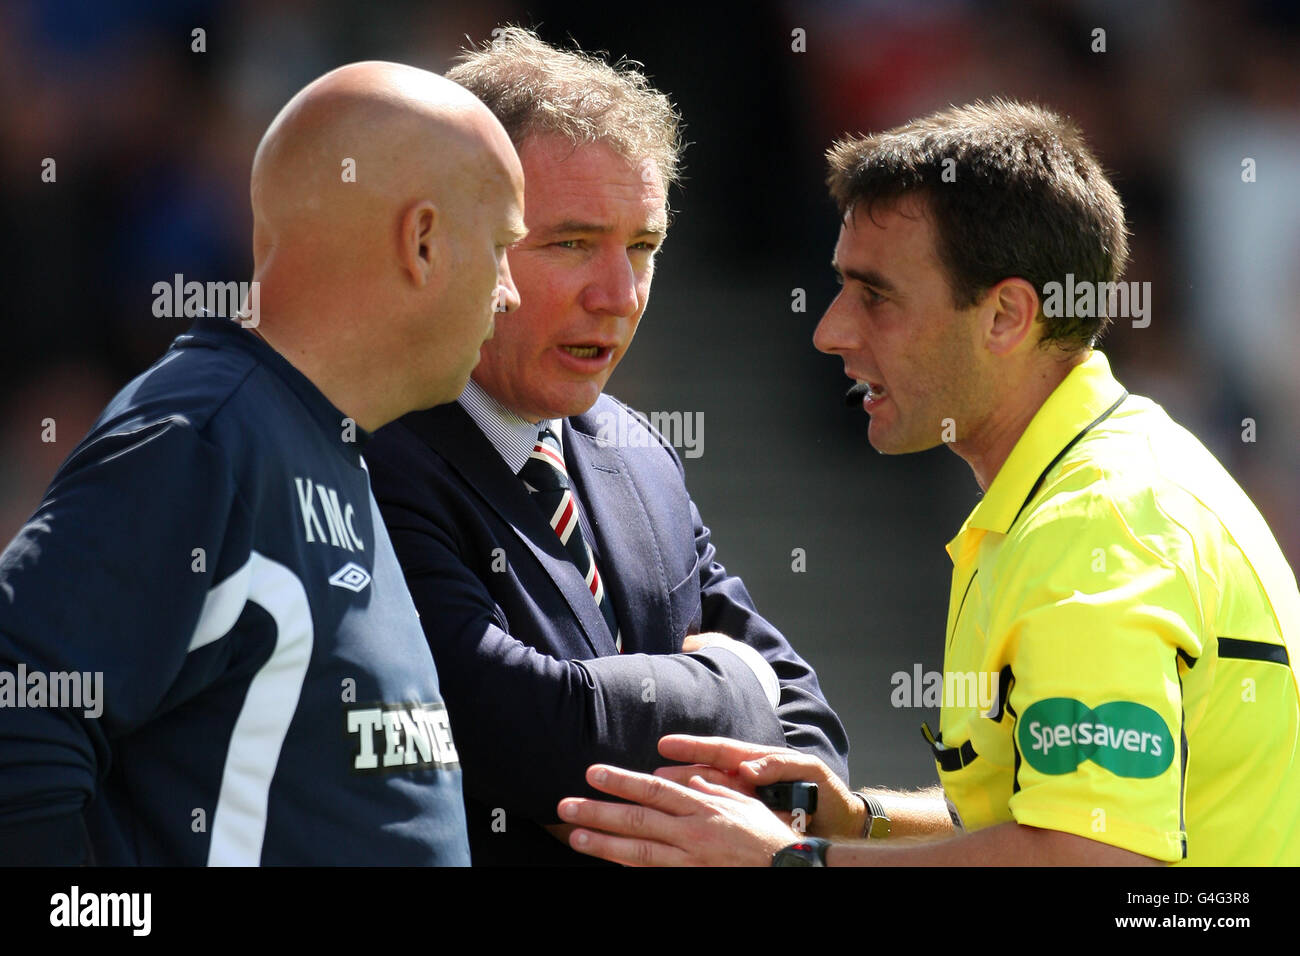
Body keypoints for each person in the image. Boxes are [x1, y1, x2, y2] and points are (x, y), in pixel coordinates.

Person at [555, 99, 1300, 866]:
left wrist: (791, 863)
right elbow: (1040, 819)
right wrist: (862, 818)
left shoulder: (1095, 520)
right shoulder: (1088, 481)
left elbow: (1092, 859)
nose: (830, 330)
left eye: (875, 295)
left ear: (1007, 316)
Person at [0, 61, 527, 865]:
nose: (511, 293)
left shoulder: (325, 438)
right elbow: (18, 716)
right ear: (422, 242)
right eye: (502, 248)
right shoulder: (202, 437)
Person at [364, 27, 849, 866]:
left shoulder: (635, 451)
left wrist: (761, 804)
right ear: (446, 240)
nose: (618, 295)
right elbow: (519, 726)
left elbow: (813, 735)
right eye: (572, 244)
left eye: (644, 248)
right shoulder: (370, 449)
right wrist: (740, 686)